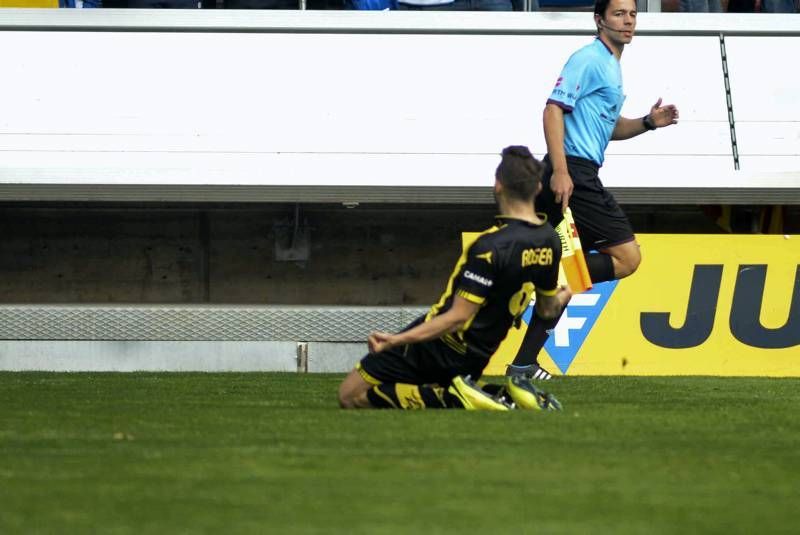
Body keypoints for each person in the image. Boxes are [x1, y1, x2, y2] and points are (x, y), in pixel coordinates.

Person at [507, 0, 679, 380]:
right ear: (599, 20)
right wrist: (562, 171)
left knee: (562, 275)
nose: (628, 20)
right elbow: (553, 110)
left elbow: (609, 128)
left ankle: (522, 362)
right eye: (619, 14)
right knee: (627, 258)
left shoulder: (611, 67)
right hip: (574, 175)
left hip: (575, 171)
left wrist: (649, 122)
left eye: (633, 14)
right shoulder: (588, 58)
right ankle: (546, 282)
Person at [338, 146, 572, 410]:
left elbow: (458, 318)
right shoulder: (549, 240)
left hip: (441, 346)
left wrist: (397, 339)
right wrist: (562, 296)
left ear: (498, 186)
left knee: (350, 394)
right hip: (478, 356)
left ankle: (454, 397)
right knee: (412, 388)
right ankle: (500, 396)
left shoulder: (490, 246)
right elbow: (547, 308)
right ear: (538, 188)